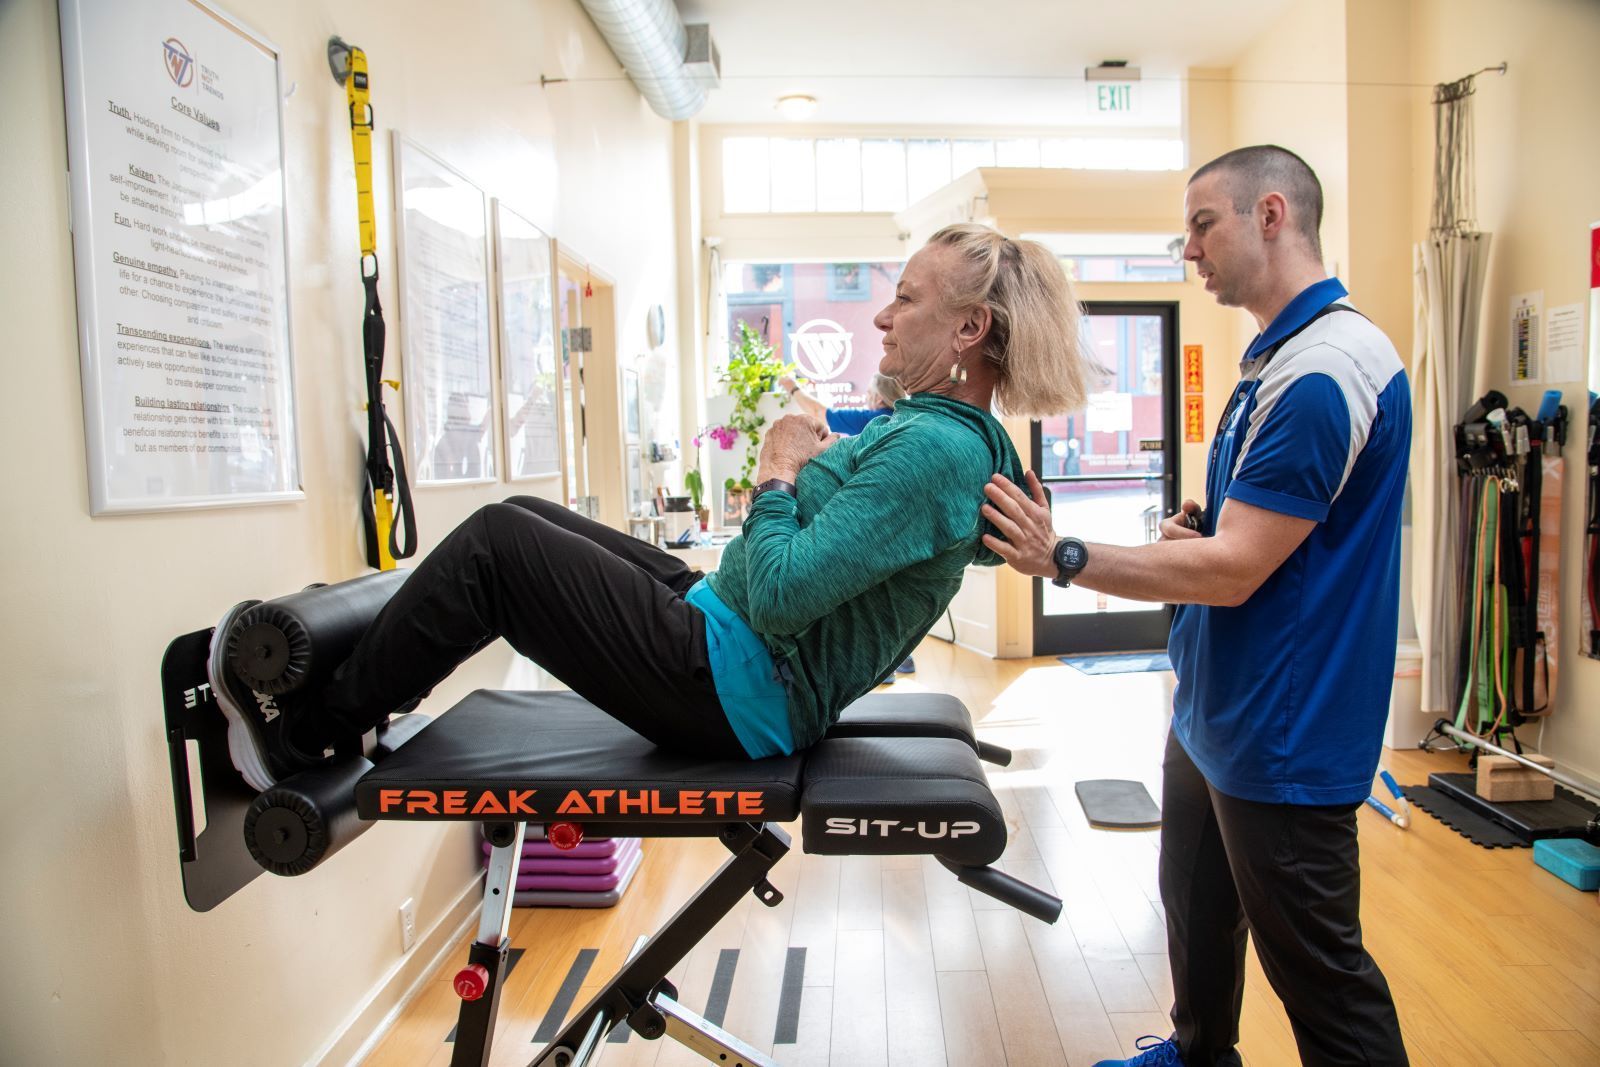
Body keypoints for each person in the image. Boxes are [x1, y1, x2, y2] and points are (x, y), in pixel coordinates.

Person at [212, 223, 1089, 792]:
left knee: (497, 546)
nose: (882, 318)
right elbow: (916, 539)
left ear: (968, 330)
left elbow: (786, 595)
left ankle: (309, 737)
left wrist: (781, 469)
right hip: (733, 631)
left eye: (906, 298)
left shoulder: (938, 447)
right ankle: (364, 677)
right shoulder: (945, 436)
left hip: (742, 688)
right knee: (524, 513)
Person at [980, 146, 1411, 1067]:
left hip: (1283, 734)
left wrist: (1062, 552)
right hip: (1217, 708)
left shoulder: (1324, 372)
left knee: (1320, 975)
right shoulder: (1276, 354)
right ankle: (1198, 1052)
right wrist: (1204, 529)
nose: (1188, 249)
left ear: (1270, 215)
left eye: (1202, 224)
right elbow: (1262, 535)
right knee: (1198, 914)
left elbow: (1238, 571)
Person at [778, 370, 907, 436]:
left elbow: (818, 412)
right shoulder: (907, 416)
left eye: (869, 393)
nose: (866, 397)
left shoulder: (869, 419)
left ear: (879, 398)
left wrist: (792, 387)